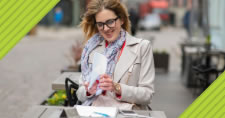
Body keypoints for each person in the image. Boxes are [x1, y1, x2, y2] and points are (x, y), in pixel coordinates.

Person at [76, 0, 155, 110]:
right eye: (100, 24)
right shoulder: (91, 49)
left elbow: (147, 95)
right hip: (96, 111)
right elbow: (80, 92)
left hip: (128, 113)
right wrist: (89, 91)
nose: (106, 28)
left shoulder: (142, 47)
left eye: (110, 22)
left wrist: (116, 87)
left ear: (122, 19)